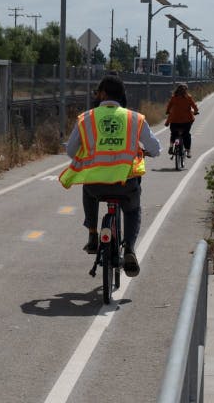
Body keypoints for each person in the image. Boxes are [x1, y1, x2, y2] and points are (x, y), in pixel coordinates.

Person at [59, 75, 160, 278]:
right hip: (125, 184)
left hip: (97, 186)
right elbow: (155, 148)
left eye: (97, 92)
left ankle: (93, 234)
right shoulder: (134, 118)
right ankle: (130, 249)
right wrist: (144, 151)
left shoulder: (86, 118)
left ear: (103, 93)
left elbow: (71, 151)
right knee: (132, 210)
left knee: (87, 187)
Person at [164, 83, 199, 158]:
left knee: (174, 133)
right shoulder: (188, 97)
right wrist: (196, 111)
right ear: (185, 90)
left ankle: (171, 146)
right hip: (186, 121)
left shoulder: (174, 97)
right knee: (186, 135)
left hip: (174, 121)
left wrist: (167, 111)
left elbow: (169, 106)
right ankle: (188, 151)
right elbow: (194, 106)